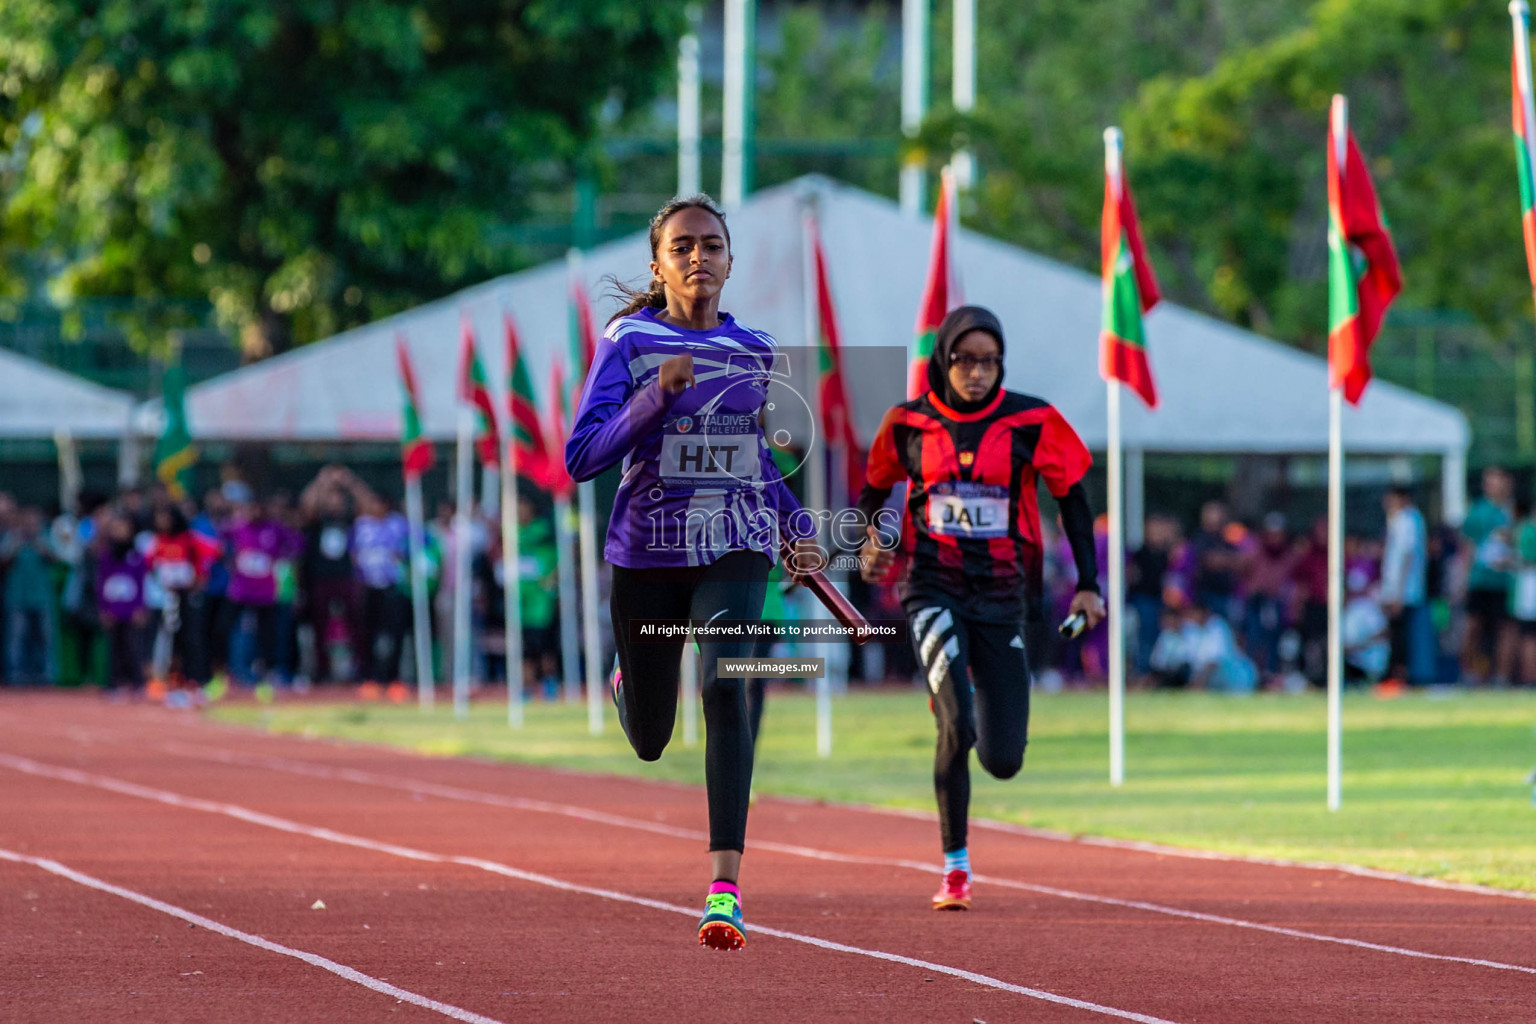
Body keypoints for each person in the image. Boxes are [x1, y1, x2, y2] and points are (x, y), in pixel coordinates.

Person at [565, 193, 816, 951]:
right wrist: (655, 397)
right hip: (646, 554)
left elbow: (757, 462)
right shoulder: (629, 342)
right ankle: (628, 684)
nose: (698, 257)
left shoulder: (757, 350)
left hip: (732, 545)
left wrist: (798, 531)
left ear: (730, 259)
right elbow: (583, 456)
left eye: (711, 244)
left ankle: (725, 890)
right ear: (658, 265)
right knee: (650, 737)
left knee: (726, 686)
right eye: (683, 247)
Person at [856, 305, 1105, 912]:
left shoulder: (1033, 419)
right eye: (965, 360)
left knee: (1002, 758)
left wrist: (1088, 584)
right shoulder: (907, 423)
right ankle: (956, 866)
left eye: (988, 361)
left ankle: (956, 693)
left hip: (1003, 596)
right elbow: (871, 490)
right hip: (931, 586)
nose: (976, 373)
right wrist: (868, 543)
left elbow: (1073, 498)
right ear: (944, 361)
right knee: (957, 726)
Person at [1461, 466, 1515, 685]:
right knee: (1474, 627)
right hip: (1481, 580)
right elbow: (1468, 547)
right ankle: (1468, 673)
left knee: (1506, 630)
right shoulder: (1478, 511)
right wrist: (1464, 579)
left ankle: (1501, 677)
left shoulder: (1512, 510)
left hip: (1506, 581)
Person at [1379, 486, 1428, 685]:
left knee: (1400, 636)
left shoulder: (1408, 520)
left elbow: (1406, 556)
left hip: (1404, 591)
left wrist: (1397, 593)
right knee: (1395, 634)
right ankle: (1394, 675)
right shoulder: (1399, 520)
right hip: (1397, 590)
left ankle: (1398, 677)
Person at [96, 512, 149, 693]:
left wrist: (140, 607)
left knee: (132, 646)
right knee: (113, 647)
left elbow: (141, 583)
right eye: (116, 528)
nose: (119, 532)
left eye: (123, 528)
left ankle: (137, 682)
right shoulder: (107, 555)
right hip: (113, 608)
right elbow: (101, 583)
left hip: (130, 608)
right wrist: (103, 608)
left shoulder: (136, 556)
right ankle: (113, 683)